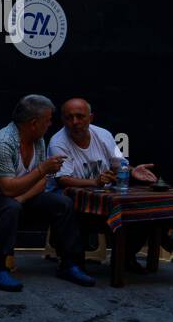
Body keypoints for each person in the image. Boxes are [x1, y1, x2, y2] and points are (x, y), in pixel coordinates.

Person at [0, 94, 95, 291]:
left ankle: (69, 264)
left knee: (63, 203)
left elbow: (42, 183)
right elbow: (7, 187)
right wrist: (41, 171)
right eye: (47, 121)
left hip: (19, 198)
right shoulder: (1, 143)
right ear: (33, 123)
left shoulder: (38, 141)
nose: (49, 125)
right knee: (9, 206)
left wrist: (22, 198)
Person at [48, 98, 160, 274]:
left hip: (104, 193)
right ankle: (73, 263)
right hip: (74, 196)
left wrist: (132, 171)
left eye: (80, 116)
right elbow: (63, 180)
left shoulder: (104, 135)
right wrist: (95, 182)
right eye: (69, 117)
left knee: (140, 210)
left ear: (91, 118)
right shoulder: (58, 142)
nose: (75, 122)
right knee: (71, 208)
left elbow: (119, 165)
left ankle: (125, 258)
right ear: (63, 120)